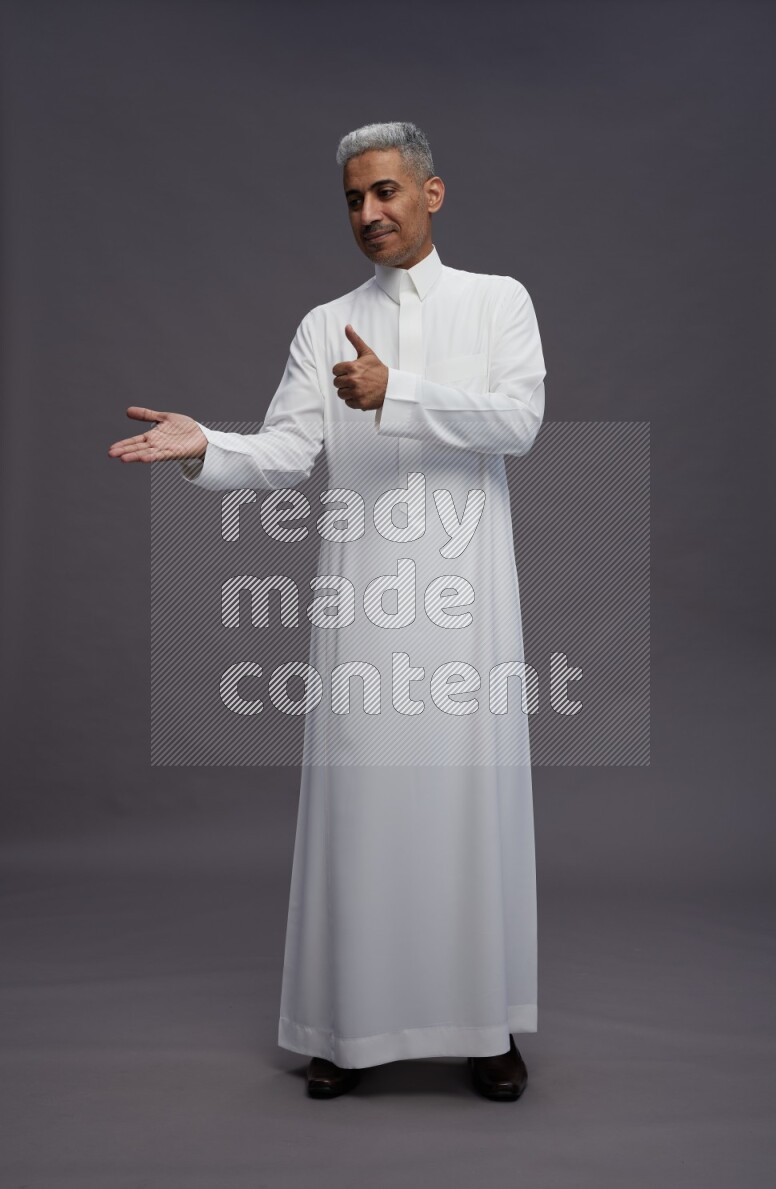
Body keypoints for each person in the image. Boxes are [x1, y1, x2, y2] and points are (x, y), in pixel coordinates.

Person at [109, 121, 546, 1101]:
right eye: (353, 199)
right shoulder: (323, 324)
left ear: (430, 195)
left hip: (464, 602)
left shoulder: (496, 303)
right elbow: (283, 453)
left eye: (386, 192)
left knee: (464, 807)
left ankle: (484, 1028)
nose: (368, 213)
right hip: (362, 603)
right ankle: (343, 1028)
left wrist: (400, 391)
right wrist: (204, 446)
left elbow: (517, 421)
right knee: (363, 809)